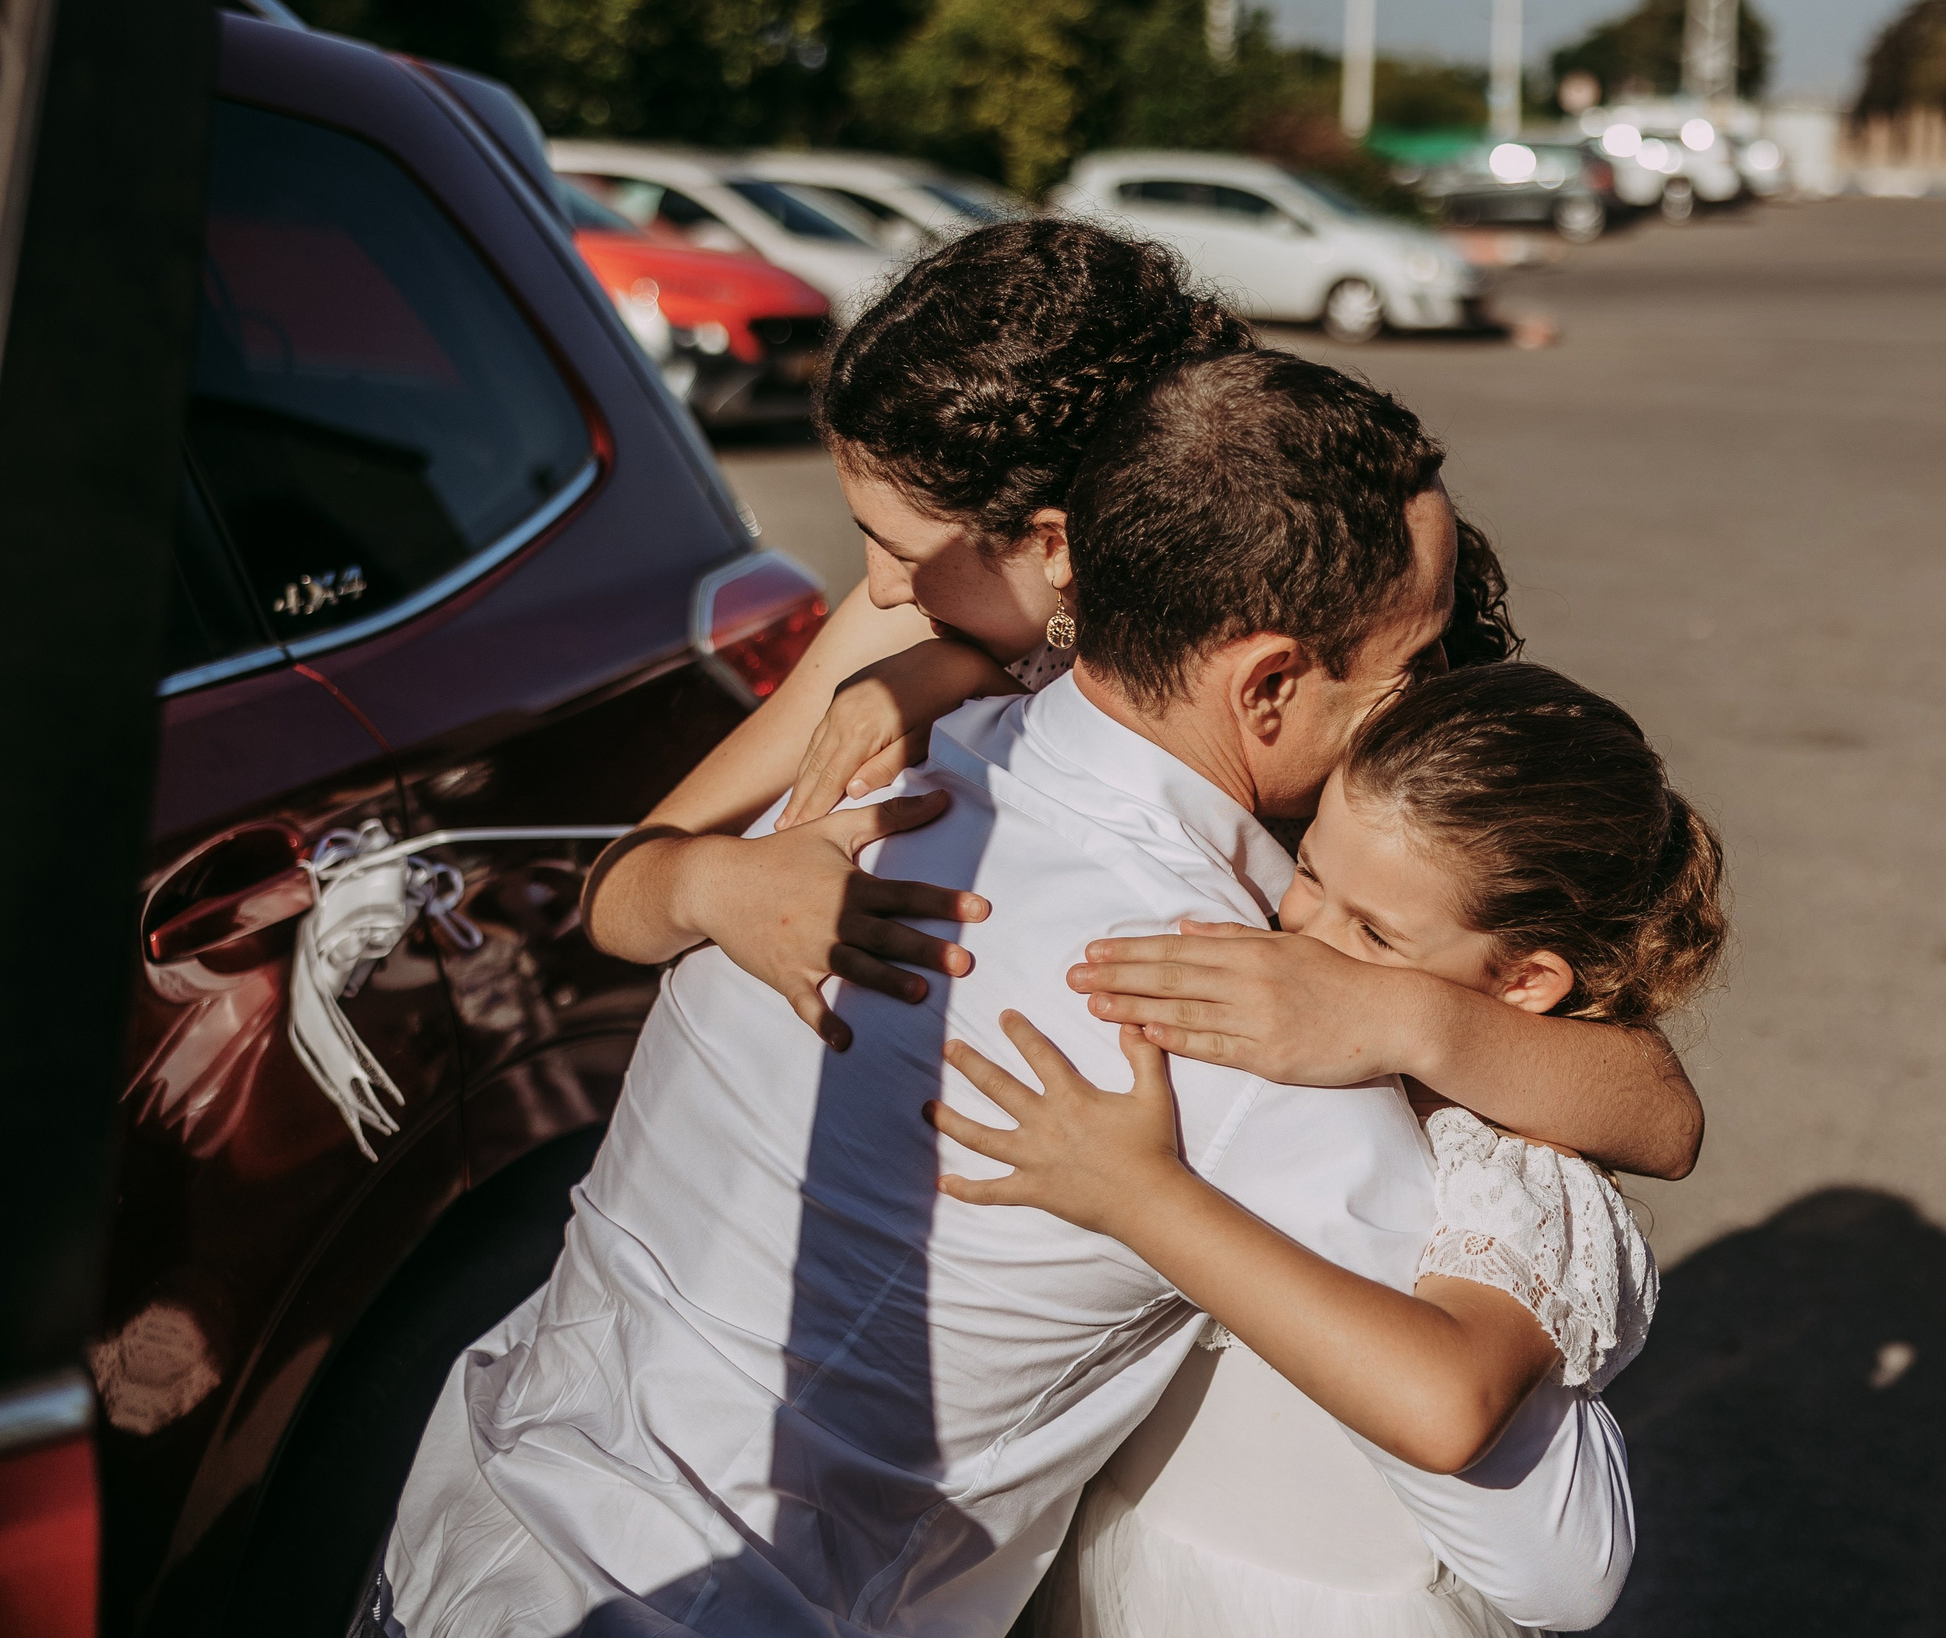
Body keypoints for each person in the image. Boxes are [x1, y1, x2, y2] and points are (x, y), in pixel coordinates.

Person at [379, 351, 1637, 1635]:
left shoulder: (839, 793)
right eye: (1411, 663)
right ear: (1265, 684)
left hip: (471, 1518)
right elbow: (1556, 1563)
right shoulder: (1231, 1016)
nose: (1432, 700)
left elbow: (635, 888)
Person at [582, 218, 1704, 1183]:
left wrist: (1400, 1015)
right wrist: (715, 882)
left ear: (1060, 548)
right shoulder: (913, 626)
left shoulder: (1341, 685)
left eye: (898, 544)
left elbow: (1652, 1106)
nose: (876, 584)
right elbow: (615, 891)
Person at [926, 661, 1726, 1638]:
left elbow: (1448, 1406)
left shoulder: (1513, 1158)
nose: (1305, 934)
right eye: (1308, 868)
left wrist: (1138, 1195)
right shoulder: (1284, 915)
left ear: (1524, 982)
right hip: (1125, 1561)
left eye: (1376, 934)